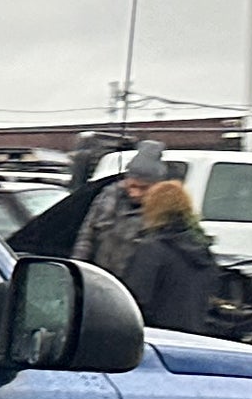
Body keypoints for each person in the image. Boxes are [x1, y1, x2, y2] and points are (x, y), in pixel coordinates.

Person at [121, 175, 222, 334]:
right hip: (194, 335)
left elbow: (135, 299)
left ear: (153, 208)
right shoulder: (202, 250)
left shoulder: (152, 248)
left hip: (158, 335)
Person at [71, 142, 169, 272]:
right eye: (132, 186)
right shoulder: (108, 197)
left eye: (143, 188)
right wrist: (79, 268)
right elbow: (86, 236)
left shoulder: (164, 209)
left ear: (157, 186)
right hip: (100, 274)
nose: (135, 193)